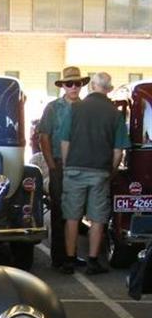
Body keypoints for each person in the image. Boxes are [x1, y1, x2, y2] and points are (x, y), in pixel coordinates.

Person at [60, 72, 130, 275]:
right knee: (98, 218)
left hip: (74, 168)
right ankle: (92, 262)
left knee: (72, 216)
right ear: (108, 89)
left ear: (91, 87)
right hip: (100, 171)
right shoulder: (115, 114)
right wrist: (111, 171)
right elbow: (118, 151)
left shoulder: (75, 108)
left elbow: (65, 141)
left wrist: (67, 165)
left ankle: (69, 261)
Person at [38, 66, 89, 270]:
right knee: (59, 210)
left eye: (77, 83)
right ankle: (59, 258)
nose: (74, 87)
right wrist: (51, 164)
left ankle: (71, 254)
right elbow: (44, 137)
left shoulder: (86, 108)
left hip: (81, 164)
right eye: (70, 83)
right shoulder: (52, 108)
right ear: (63, 86)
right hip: (59, 164)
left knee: (75, 212)